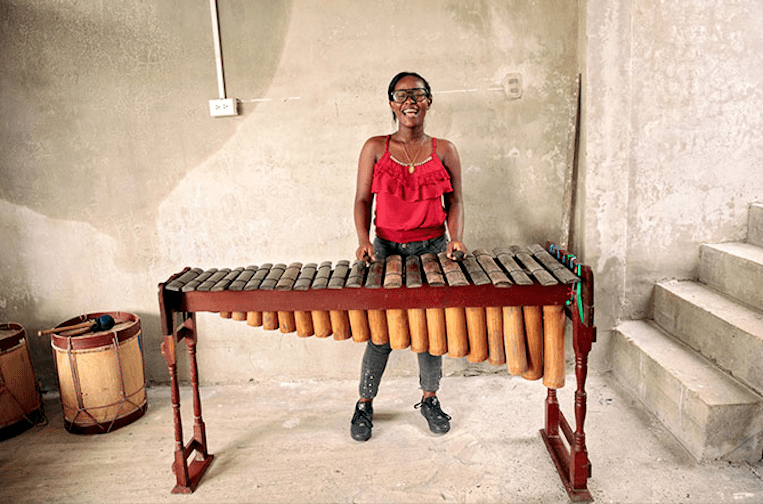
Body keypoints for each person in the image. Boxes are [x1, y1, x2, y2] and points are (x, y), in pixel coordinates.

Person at [350, 71, 467, 442]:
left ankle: (430, 399)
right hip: (385, 250)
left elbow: (457, 201)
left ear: (429, 101)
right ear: (391, 104)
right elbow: (362, 200)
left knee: (429, 333)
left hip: (432, 249)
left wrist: (457, 239)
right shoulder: (374, 147)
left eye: (418, 94)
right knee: (380, 334)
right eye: (401, 95)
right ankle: (364, 403)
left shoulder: (444, 149)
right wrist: (363, 240)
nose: (410, 101)